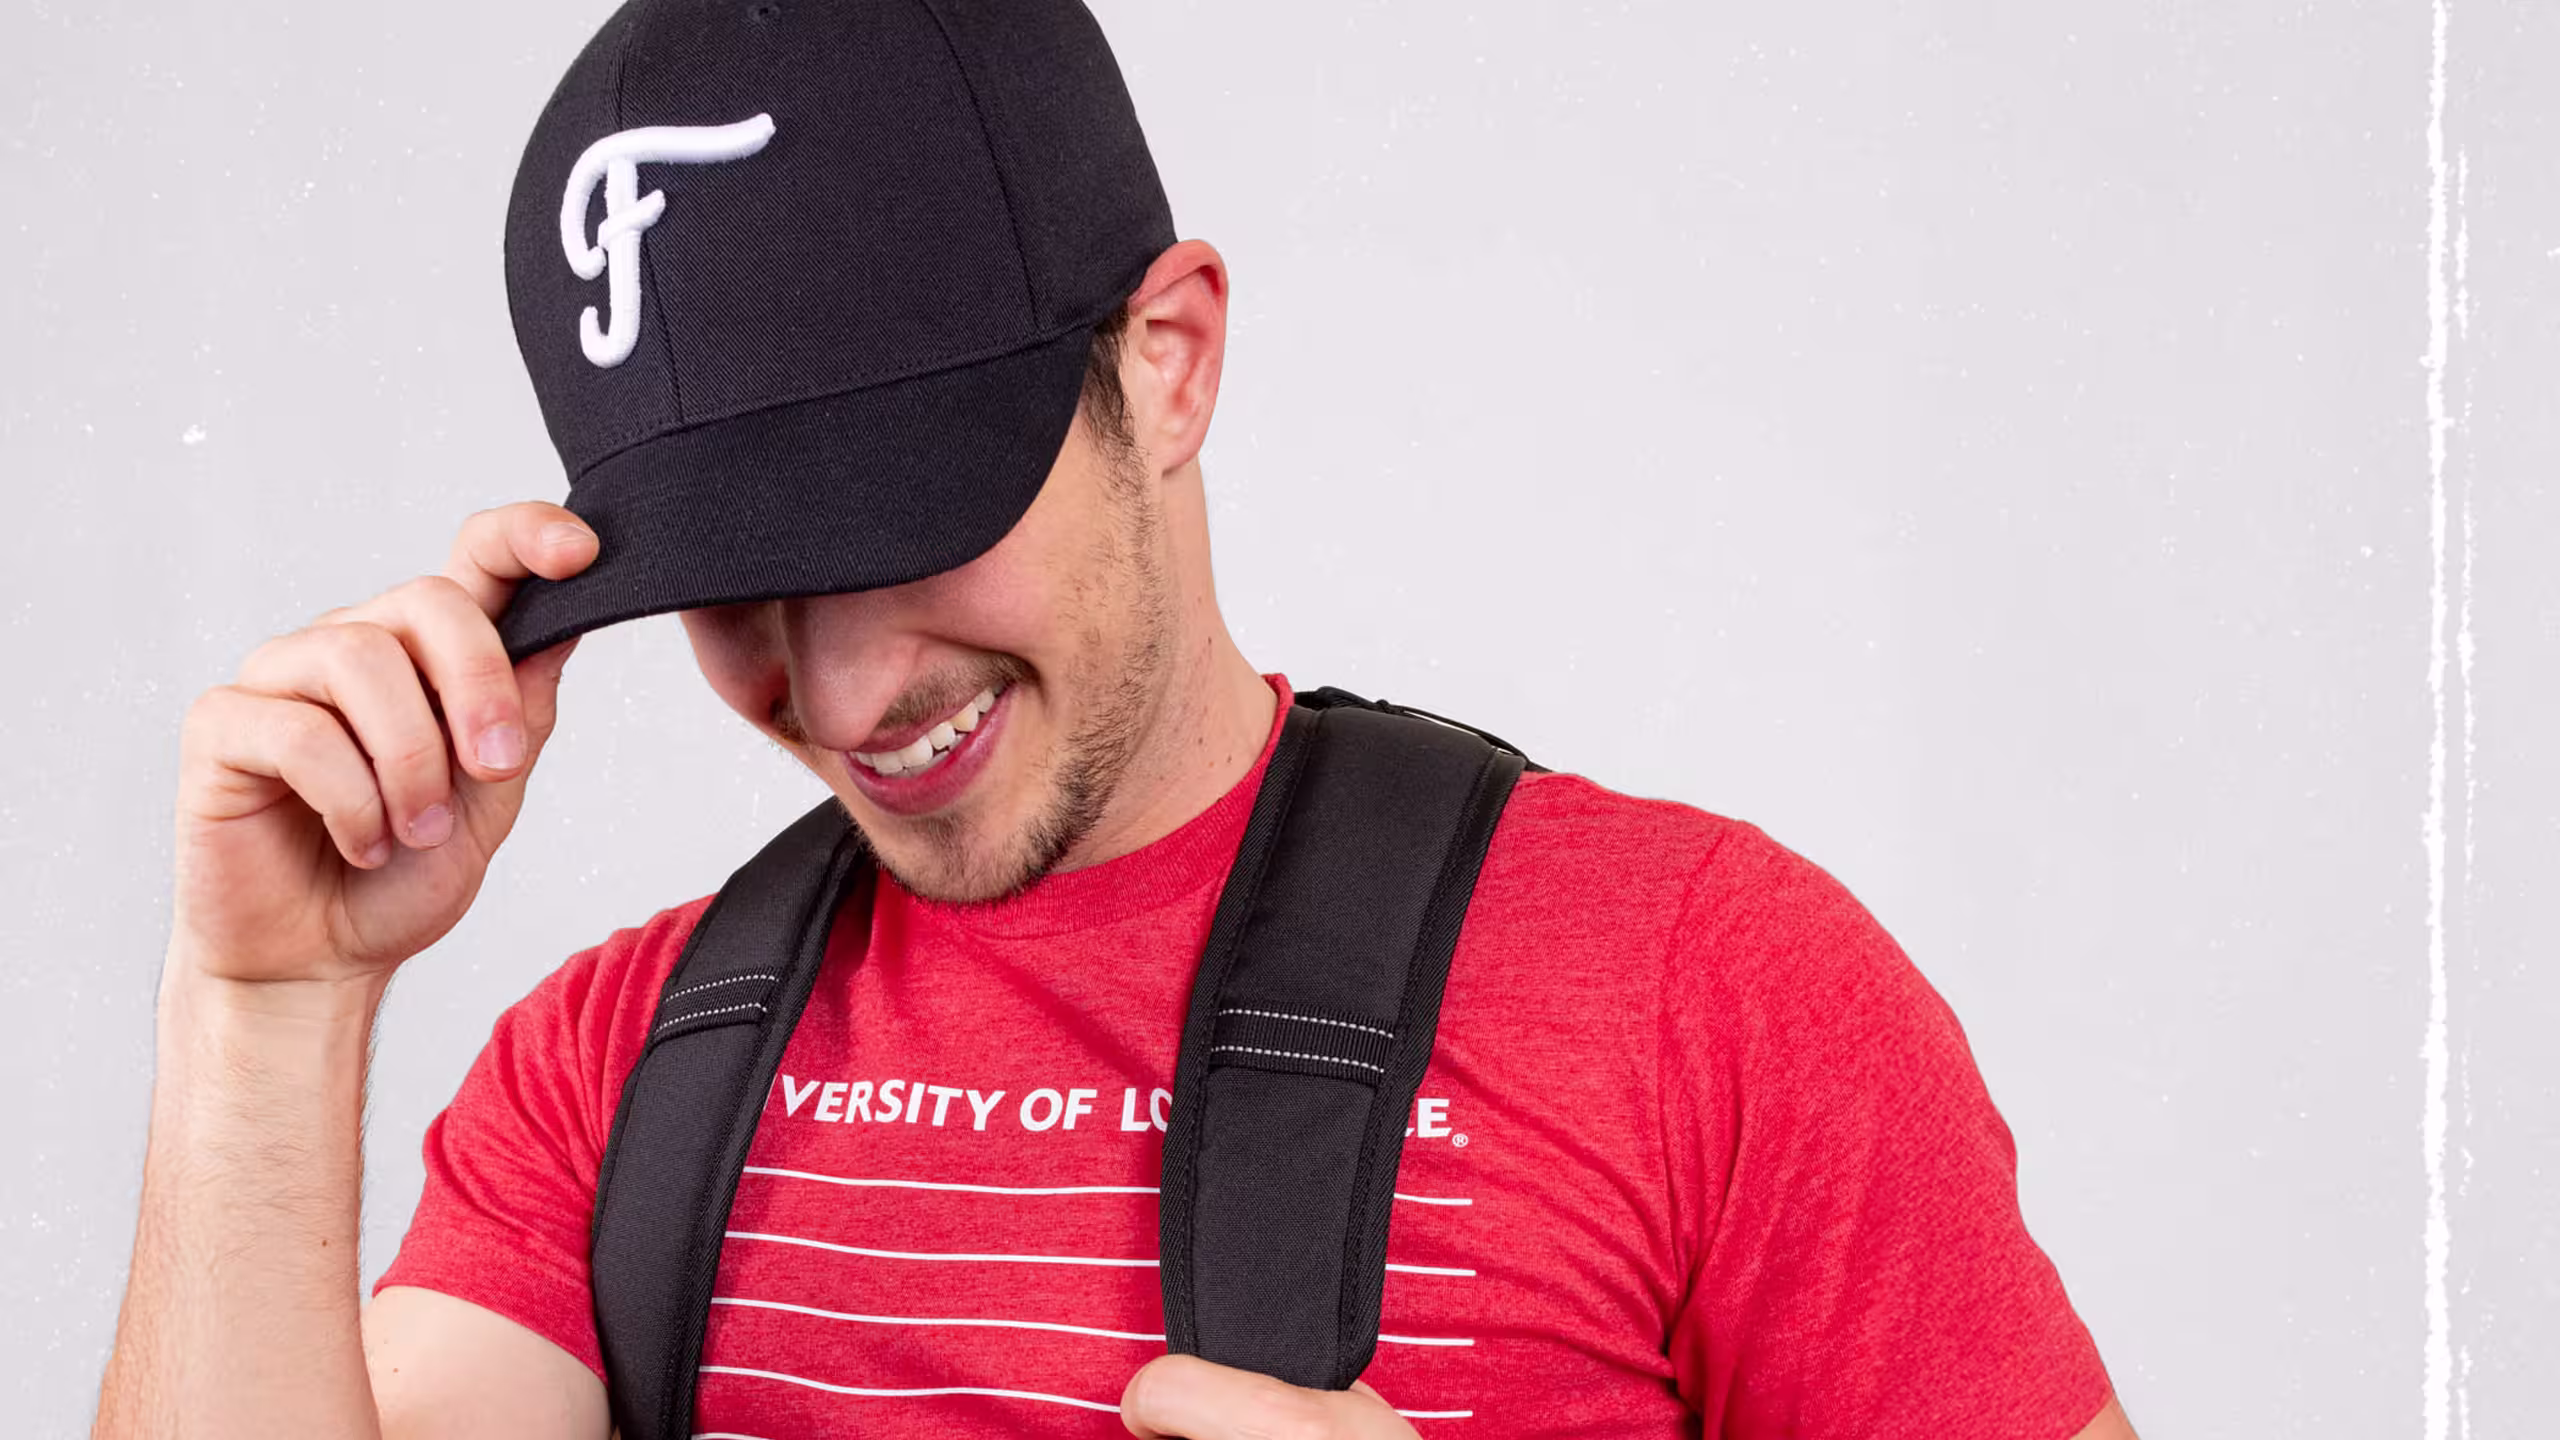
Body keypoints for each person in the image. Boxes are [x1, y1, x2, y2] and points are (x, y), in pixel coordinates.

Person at [93, 0, 2138, 1436]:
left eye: (905, 526)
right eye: (734, 584)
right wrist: (264, 1020)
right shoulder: (613, 1078)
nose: (842, 689)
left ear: (1162, 365)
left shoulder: (1705, 989)